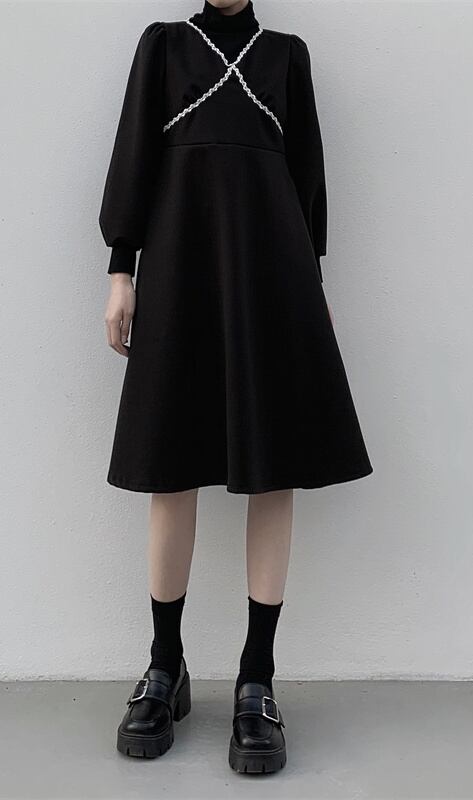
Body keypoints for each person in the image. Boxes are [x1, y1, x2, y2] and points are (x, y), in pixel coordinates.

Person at [98, 0, 373, 774]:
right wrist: (121, 269)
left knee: (272, 468)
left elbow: (306, 175)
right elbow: (134, 154)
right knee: (169, 467)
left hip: (273, 274)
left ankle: (257, 679)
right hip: (180, 264)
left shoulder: (287, 55)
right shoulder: (163, 46)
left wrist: (311, 280)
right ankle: (165, 665)